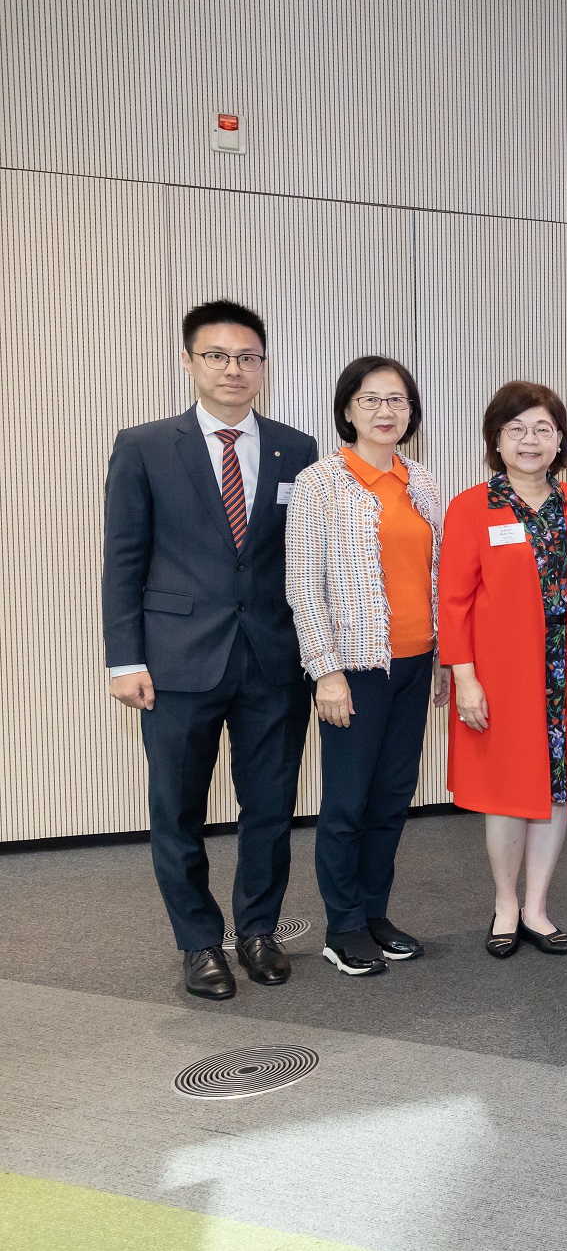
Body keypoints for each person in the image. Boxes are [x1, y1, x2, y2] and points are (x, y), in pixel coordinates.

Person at [103, 300, 317, 1001]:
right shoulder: (143, 446)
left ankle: (257, 930)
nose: (234, 368)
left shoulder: (296, 446)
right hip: (176, 662)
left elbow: (301, 560)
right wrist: (124, 658)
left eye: (248, 356)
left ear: (264, 364)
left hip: (272, 660)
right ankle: (198, 942)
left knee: (270, 807)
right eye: (218, 355)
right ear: (189, 360)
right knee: (178, 810)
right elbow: (123, 560)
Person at [286, 356, 446, 976]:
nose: (386, 412)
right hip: (353, 669)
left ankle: (375, 912)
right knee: (348, 802)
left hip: (414, 663)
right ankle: (343, 924)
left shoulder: (422, 481)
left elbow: (436, 576)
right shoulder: (320, 482)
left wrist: (440, 660)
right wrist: (324, 671)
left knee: (391, 799)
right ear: (348, 408)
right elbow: (303, 583)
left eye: (398, 401)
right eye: (372, 400)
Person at [439, 382, 567, 958]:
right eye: (517, 430)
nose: (530, 441)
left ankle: (537, 906)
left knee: (555, 790)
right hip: (500, 677)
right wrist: (464, 677)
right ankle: (506, 905)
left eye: (543, 430)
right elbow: (452, 601)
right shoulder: (471, 506)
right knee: (507, 793)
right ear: (496, 440)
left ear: (561, 440)